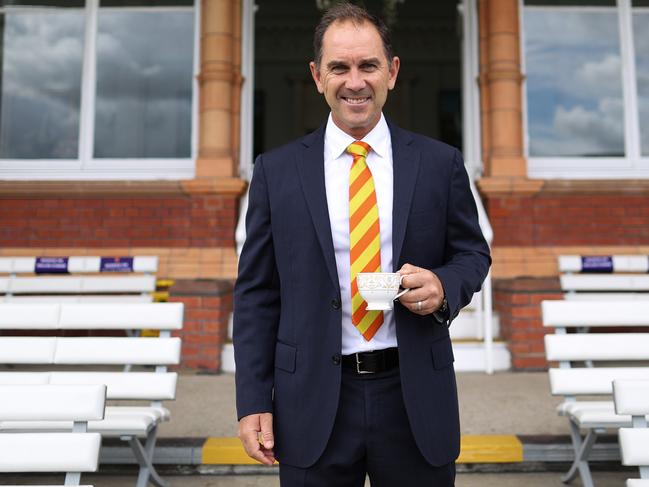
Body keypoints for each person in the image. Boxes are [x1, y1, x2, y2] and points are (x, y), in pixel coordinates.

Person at [233, 3, 491, 486]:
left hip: (414, 397)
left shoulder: (440, 164)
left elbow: (473, 253)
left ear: (391, 72)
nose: (355, 81)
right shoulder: (277, 171)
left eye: (368, 65)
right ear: (317, 76)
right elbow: (256, 296)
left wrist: (443, 284)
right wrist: (252, 402)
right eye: (339, 67)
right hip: (310, 401)